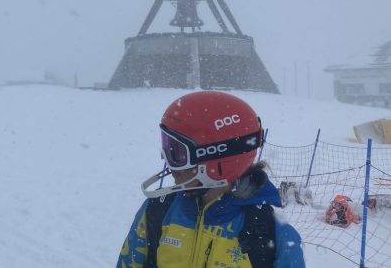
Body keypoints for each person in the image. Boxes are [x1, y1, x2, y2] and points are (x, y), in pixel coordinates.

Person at [116, 91, 305, 267]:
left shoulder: (271, 232)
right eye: (167, 146)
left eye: (178, 153)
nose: (170, 164)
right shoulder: (157, 210)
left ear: (218, 160)